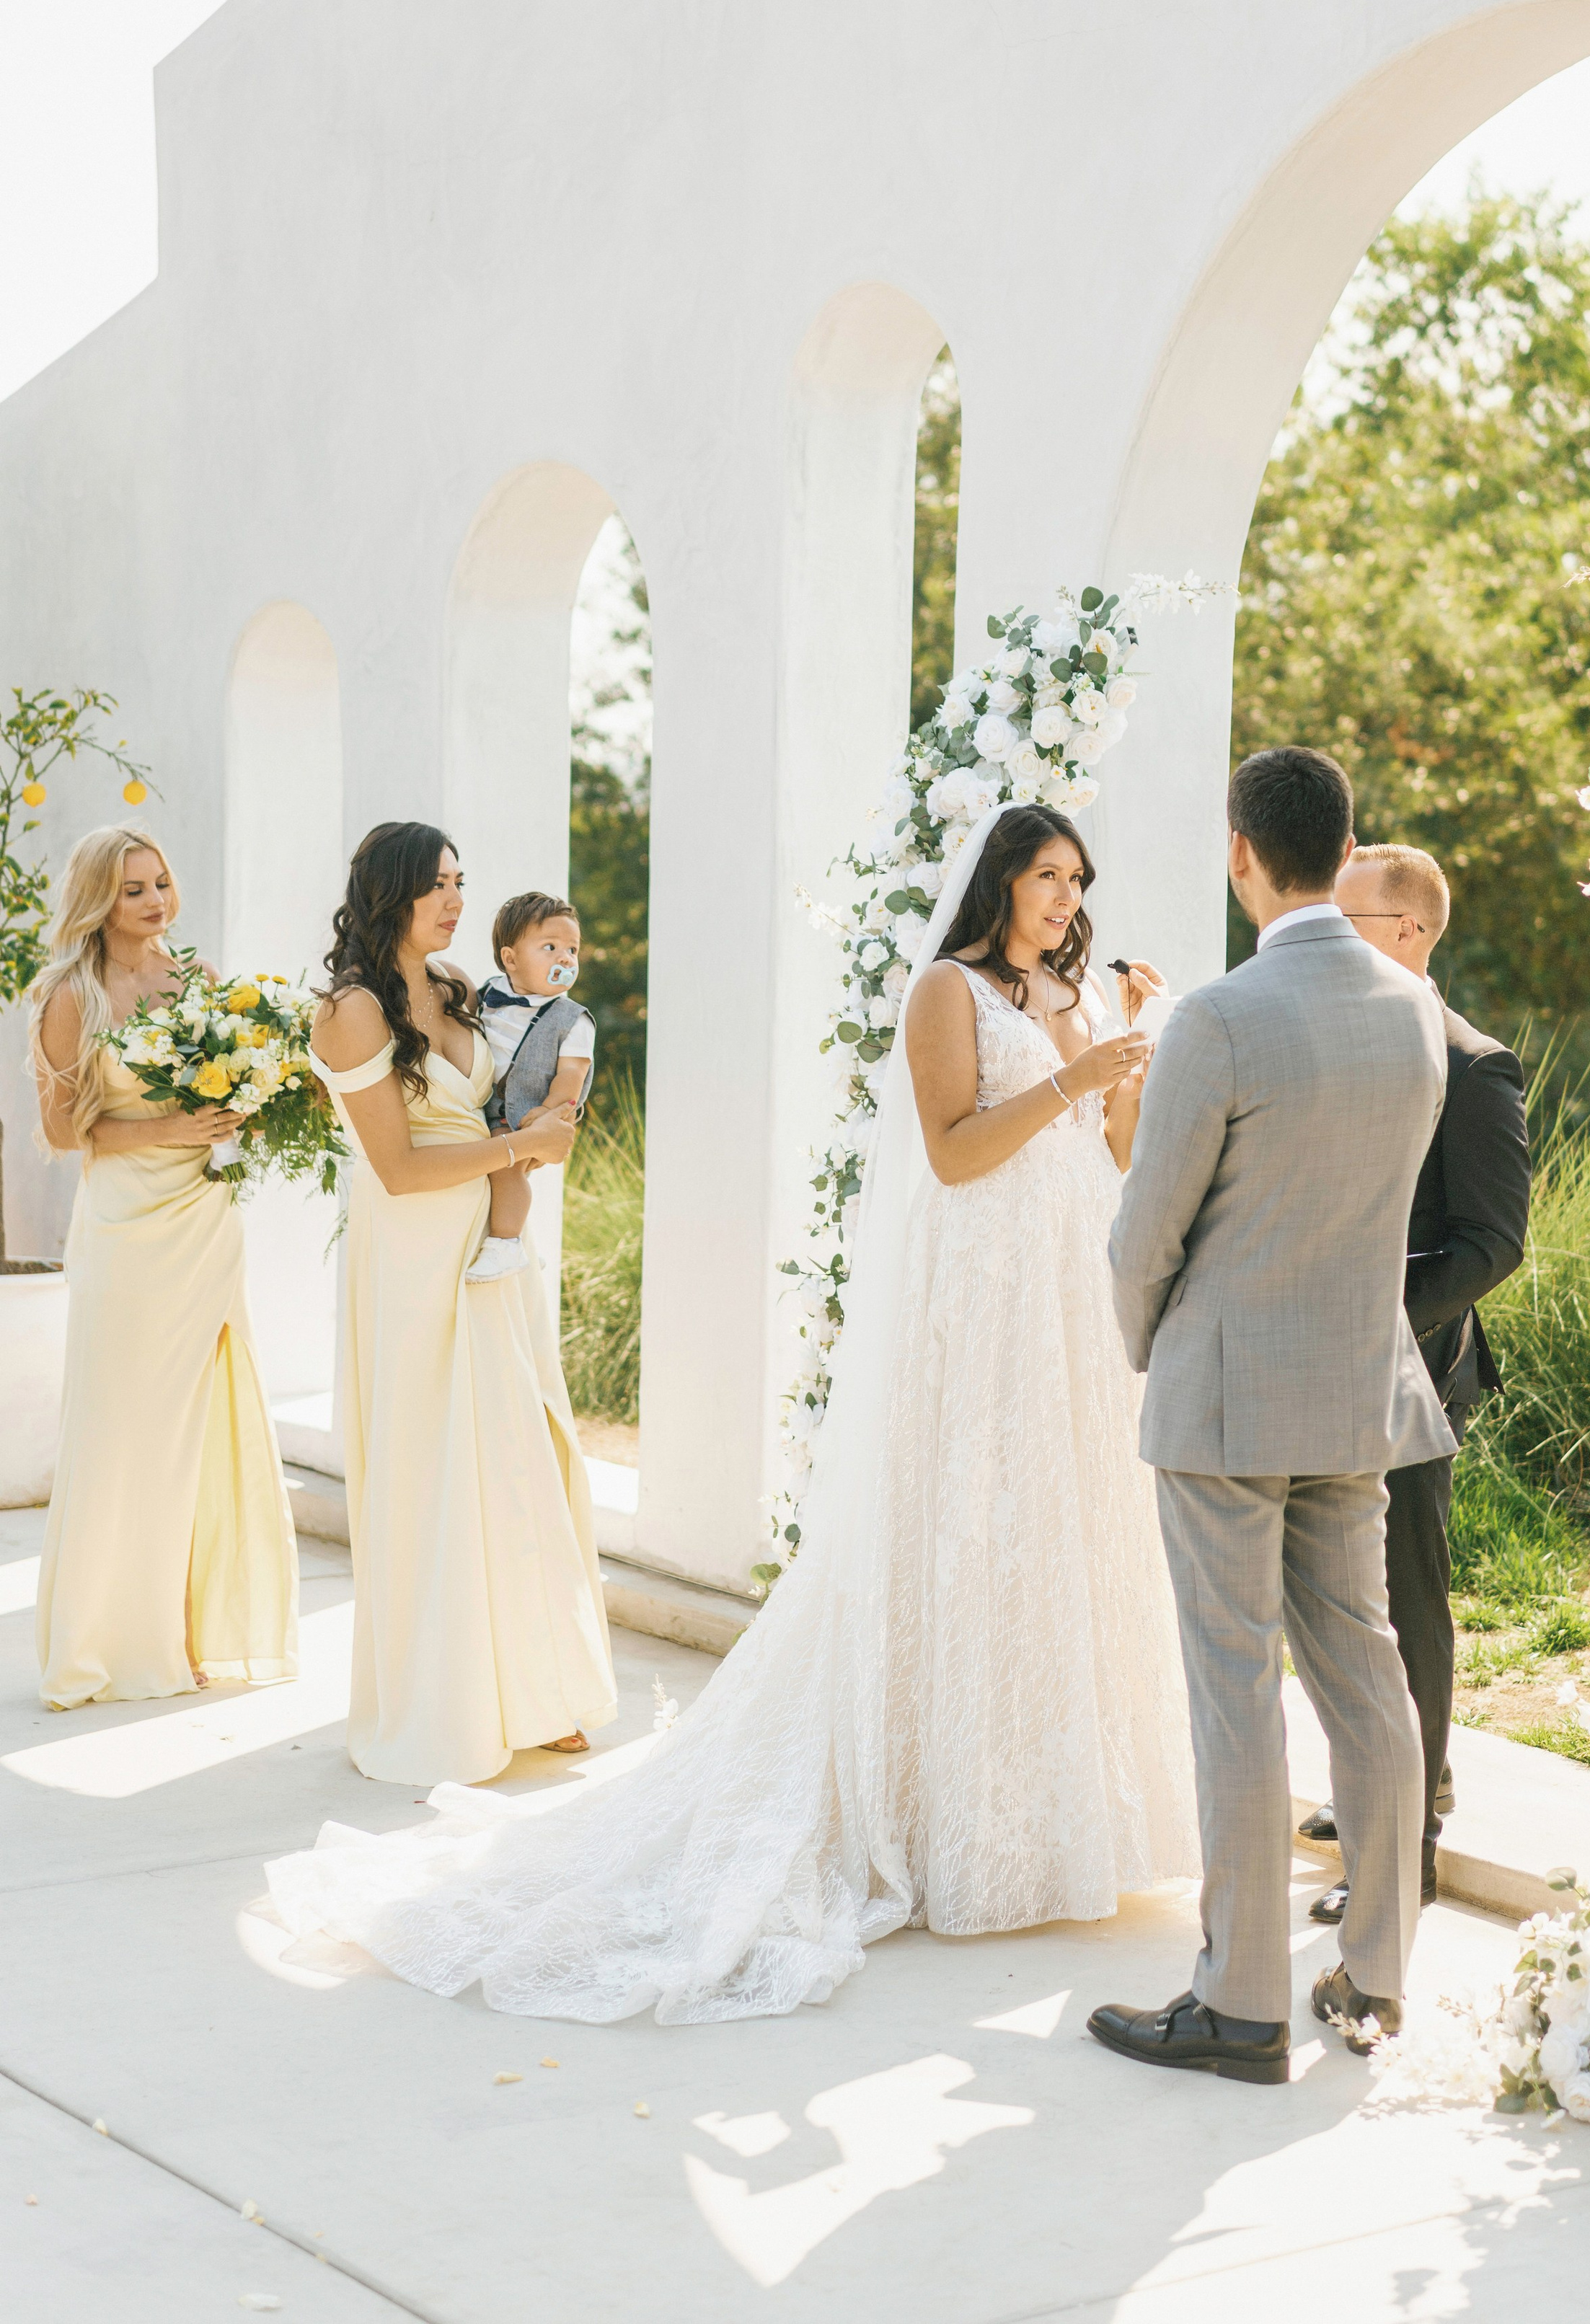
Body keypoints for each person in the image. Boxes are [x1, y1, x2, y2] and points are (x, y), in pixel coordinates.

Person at [265, 800, 1199, 2023]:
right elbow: (958, 1152)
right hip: (983, 1298)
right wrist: (1076, 1072)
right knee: (969, 1528)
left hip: (1066, 1303)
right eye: (1045, 876)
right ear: (998, 886)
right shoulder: (948, 994)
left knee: (1056, 1543)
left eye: (1079, 876)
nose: (1067, 897)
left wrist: (1132, 1043)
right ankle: (936, 1812)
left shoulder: (1076, 999)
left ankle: (1050, 1821)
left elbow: (1112, 1147)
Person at [1090, 747, 1449, 2083]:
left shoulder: (1221, 1018)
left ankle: (1241, 2004)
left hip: (1228, 1401)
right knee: (1369, 1677)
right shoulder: (1416, 1007)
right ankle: (1377, 1971)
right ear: (1342, 846)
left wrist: (1149, 1347)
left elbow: (1147, 1232)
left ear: (1242, 852)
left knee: (1236, 1690)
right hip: (1356, 1394)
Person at [306, 822, 614, 1783]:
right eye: (436, 885)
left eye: (460, 883)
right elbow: (396, 1168)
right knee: (436, 1479)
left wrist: (548, 1113)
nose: (455, 902)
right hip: (410, 1261)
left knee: (519, 1453)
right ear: (389, 892)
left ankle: (536, 1686)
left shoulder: (454, 991)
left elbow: (508, 1087)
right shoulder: (352, 1012)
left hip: (488, 1251)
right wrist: (522, 1151)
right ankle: (446, 1702)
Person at [1298, 844, 1530, 1926]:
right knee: (1335, 1599)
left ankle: (1413, 1846)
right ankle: (1375, 1793)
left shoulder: (1474, 1064)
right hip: (1308, 1357)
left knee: (1404, 1604)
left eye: (1345, 919)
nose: (1324, 936)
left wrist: (1368, 1309)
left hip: (1414, 1376)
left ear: (1405, 931)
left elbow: (1492, 1245)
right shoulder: (1323, 1041)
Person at [28, 826, 298, 1708]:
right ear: (100, 900)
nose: (155, 902)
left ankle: (188, 1634)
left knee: (196, 1420)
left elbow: (237, 1088)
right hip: (124, 1223)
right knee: (118, 1423)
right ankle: (105, 1640)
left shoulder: (199, 982)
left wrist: (246, 1109)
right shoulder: (73, 995)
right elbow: (63, 1128)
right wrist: (163, 1130)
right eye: (135, 889)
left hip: (202, 1217)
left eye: (161, 884)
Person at [464, 891, 596, 1286]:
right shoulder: (488, 995)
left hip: (523, 1113)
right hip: (478, 1105)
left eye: (572, 949)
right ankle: (518, 1243)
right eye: (551, 947)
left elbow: (570, 1077)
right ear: (510, 959)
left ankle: (506, 1244)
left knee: (506, 1171)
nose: (565, 958)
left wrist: (548, 1116)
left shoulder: (574, 1020)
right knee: (484, 1175)